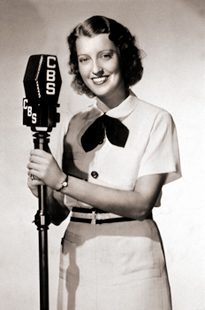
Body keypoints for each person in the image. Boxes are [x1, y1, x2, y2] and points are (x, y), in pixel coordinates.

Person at [27, 15, 181, 310]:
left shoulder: (156, 120)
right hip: (77, 263)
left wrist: (61, 180)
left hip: (133, 260)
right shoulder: (75, 124)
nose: (95, 69)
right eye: (84, 59)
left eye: (105, 56)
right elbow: (58, 213)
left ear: (124, 56)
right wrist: (43, 189)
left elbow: (140, 204)